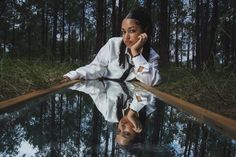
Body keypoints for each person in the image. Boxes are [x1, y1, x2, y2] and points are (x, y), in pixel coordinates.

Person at [63, 7, 161, 86]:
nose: (126, 37)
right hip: (107, 93)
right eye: (123, 32)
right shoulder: (113, 44)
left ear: (145, 31)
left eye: (132, 31)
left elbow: (152, 81)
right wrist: (72, 76)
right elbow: (95, 68)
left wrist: (135, 53)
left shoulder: (152, 56)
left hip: (134, 102)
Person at [68, 79, 157, 146]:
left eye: (118, 130)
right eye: (126, 133)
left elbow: (94, 89)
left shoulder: (109, 113)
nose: (121, 126)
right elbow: (146, 87)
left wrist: (72, 83)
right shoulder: (149, 107)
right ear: (138, 130)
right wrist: (132, 112)